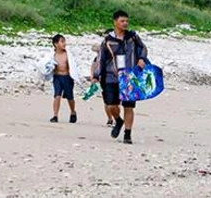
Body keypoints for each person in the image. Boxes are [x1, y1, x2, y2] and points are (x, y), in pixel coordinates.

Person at [93, 10, 148, 144]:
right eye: (122, 21)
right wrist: (96, 75)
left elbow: (143, 49)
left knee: (128, 107)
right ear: (115, 22)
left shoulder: (133, 37)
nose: (125, 23)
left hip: (130, 77)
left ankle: (127, 134)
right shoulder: (107, 40)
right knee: (111, 105)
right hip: (111, 77)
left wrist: (142, 59)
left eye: (127, 21)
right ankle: (118, 120)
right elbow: (100, 58)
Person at [48, 34, 80, 123]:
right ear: (55, 44)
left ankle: (73, 112)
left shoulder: (67, 54)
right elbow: (46, 65)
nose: (64, 43)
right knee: (57, 95)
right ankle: (55, 115)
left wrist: (74, 76)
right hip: (57, 77)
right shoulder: (52, 55)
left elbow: (73, 66)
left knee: (70, 97)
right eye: (62, 41)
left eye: (64, 41)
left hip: (67, 78)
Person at [90, 41, 115, 126]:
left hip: (115, 80)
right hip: (105, 80)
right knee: (108, 101)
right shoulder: (99, 58)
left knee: (113, 102)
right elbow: (94, 67)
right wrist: (94, 77)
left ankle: (113, 118)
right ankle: (110, 118)